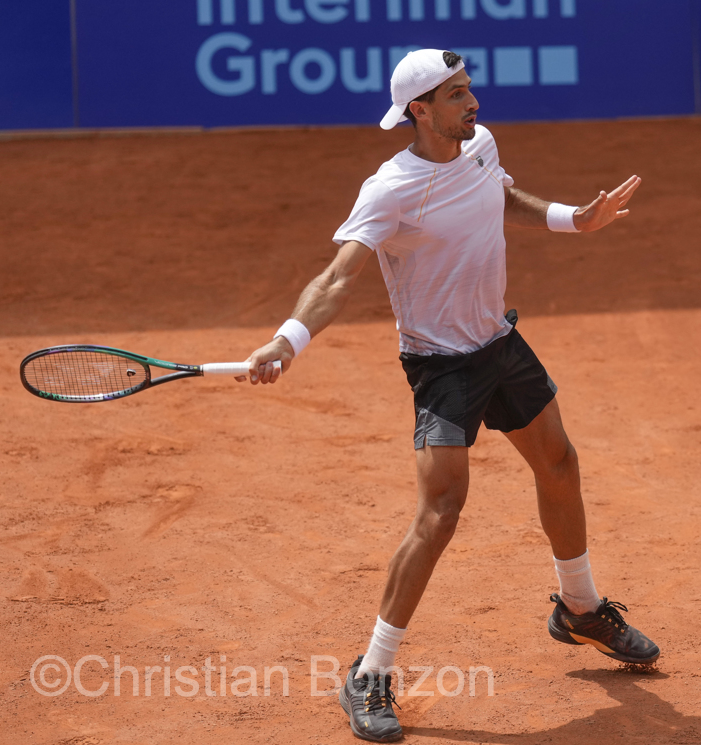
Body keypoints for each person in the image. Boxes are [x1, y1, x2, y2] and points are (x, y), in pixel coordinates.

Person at [240, 49, 660, 743]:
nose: (472, 103)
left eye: (469, 90)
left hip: (499, 341)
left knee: (559, 462)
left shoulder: (480, 145)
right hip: (443, 367)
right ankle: (370, 671)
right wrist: (287, 340)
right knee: (441, 512)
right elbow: (339, 278)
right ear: (419, 111)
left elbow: (496, 194)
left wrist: (570, 219)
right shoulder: (391, 189)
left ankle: (580, 608)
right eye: (456, 94)